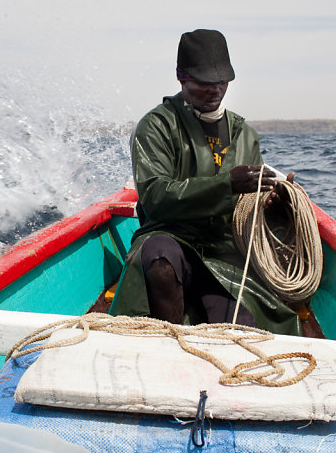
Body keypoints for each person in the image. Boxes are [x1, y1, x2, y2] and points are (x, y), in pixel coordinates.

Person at [109, 29, 301, 335]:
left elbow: (251, 208)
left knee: (244, 329)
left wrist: (276, 205)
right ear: (181, 77)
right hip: (169, 237)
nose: (215, 90)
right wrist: (227, 185)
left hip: (226, 253)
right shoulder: (156, 126)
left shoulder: (245, 134)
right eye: (204, 83)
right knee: (160, 258)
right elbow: (155, 196)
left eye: (221, 83)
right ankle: (170, 343)